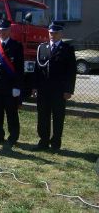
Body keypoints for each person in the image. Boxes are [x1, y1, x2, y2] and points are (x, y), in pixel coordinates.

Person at [32, 21, 76, 151]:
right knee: (42, 116)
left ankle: (56, 143)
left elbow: (71, 71)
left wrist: (68, 90)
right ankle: (43, 141)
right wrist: (34, 87)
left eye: (55, 33)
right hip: (43, 89)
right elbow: (37, 69)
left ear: (61, 33)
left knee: (58, 117)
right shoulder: (42, 48)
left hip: (59, 90)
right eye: (51, 33)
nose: (53, 35)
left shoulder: (67, 49)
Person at [0, 19, 24, 147]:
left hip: (10, 87)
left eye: (5, 30)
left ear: (9, 30)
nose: (2, 32)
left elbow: (19, 69)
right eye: (0, 30)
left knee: (11, 113)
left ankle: (13, 137)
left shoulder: (17, 46)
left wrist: (17, 87)